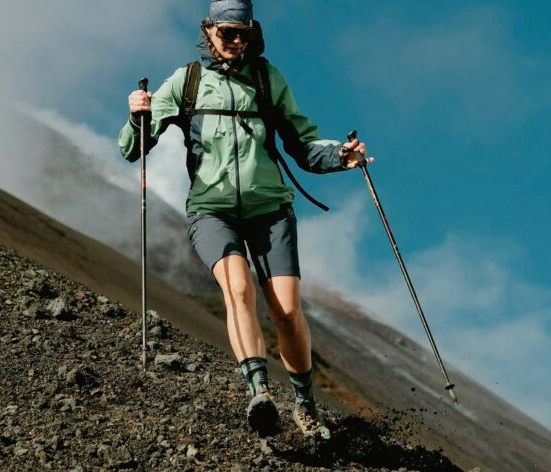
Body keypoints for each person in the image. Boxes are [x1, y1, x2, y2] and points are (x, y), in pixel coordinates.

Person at [117, 0, 373, 439]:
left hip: (270, 211)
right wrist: (136, 115)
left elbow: (303, 144)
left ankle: (305, 404)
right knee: (238, 289)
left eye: (244, 34)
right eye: (227, 33)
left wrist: (340, 155)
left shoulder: (267, 79)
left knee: (287, 312)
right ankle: (260, 394)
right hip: (211, 211)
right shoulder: (186, 82)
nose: (236, 42)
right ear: (209, 30)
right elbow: (132, 148)